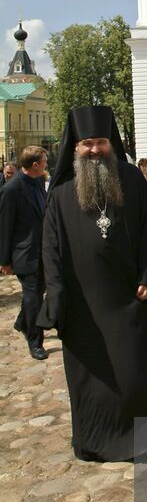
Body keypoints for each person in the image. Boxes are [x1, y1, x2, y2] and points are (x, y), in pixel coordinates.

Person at [38, 105, 147, 462]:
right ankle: (95, 439)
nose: (95, 150)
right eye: (87, 144)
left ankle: (144, 438)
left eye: (100, 142)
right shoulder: (61, 193)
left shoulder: (129, 179)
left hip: (128, 297)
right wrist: (55, 294)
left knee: (134, 371)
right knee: (93, 379)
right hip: (82, 303)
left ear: (110, 143)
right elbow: (51, 250)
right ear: (76, 147)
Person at [0, 147, 48, 360]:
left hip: (42, 250)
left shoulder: (38, 182)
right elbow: (5, 227)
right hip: (24, 254)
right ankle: (35, 341)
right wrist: (4, 260)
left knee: (37, 292)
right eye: (45, 160)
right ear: (36, 164)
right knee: (33, 297)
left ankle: (22, 322)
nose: (47, 163)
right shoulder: (11, 189)